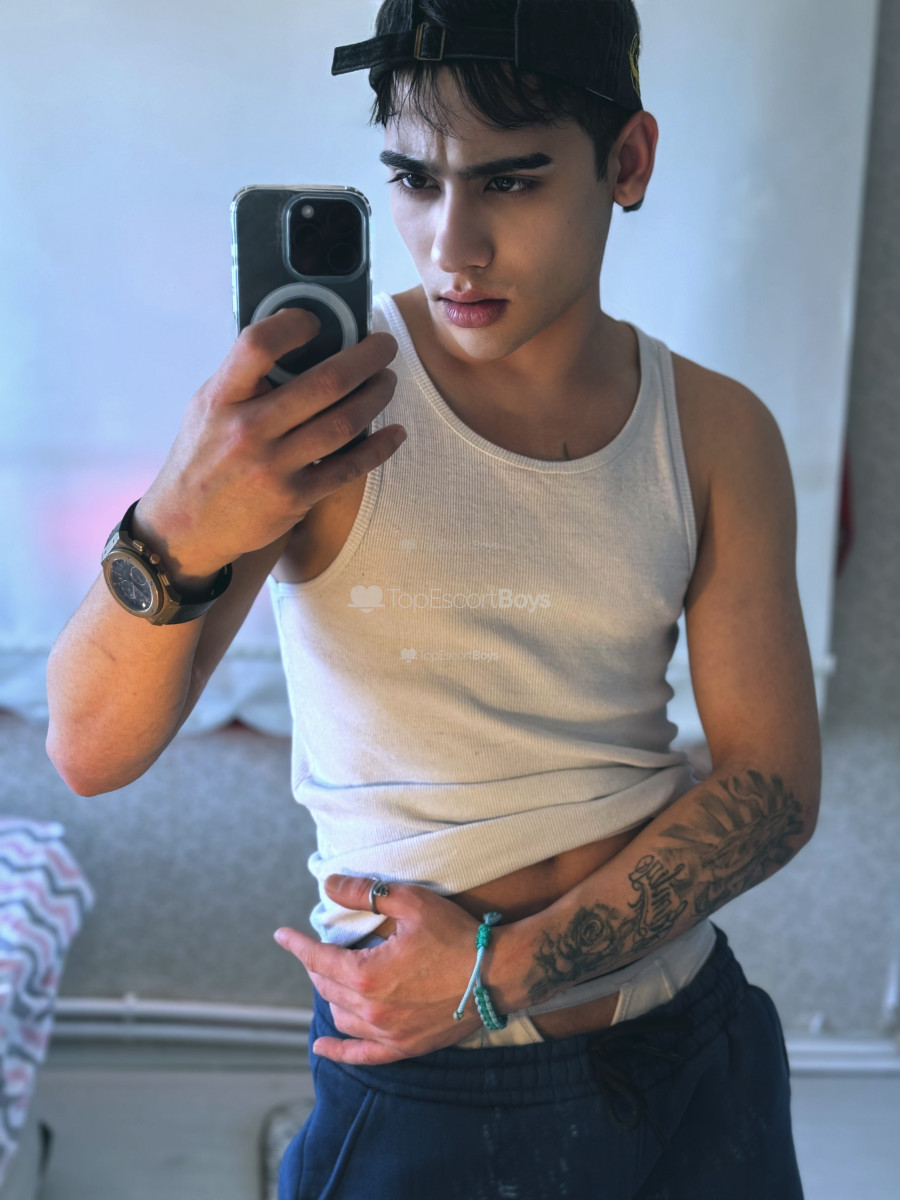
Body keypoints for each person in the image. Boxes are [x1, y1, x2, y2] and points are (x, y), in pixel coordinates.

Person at [46, 1, 821, 1196]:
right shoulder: (321, 410)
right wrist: (175, 525)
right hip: (432, 1081)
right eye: (413, 179)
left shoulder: (717, 430)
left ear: (627, 162)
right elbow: (91, 750)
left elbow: (771, 786)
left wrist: (503, 970)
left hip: (691, 1048)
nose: (452, 247)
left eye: (511, 182)